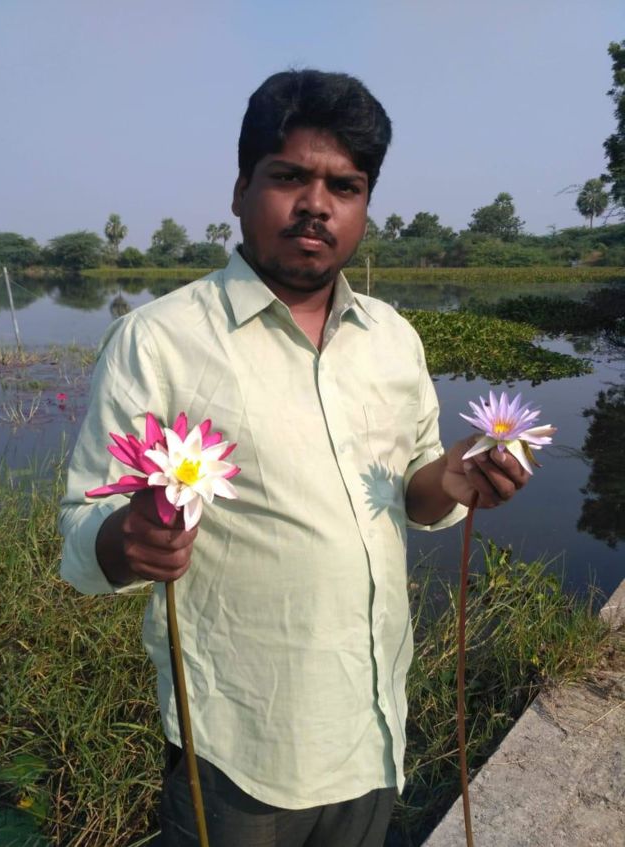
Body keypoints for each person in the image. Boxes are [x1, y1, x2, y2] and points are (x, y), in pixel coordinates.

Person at [60, 69, 530, 847]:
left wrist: (450, 478)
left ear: (365, 206)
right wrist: (127, 539)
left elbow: (416, 488)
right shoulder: (158, 341)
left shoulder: (394, 339)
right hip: (238, 746)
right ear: (241, 189)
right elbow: (85, 532)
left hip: (373, 728)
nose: (317, 204)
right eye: (289, 177)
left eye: (345, 186)